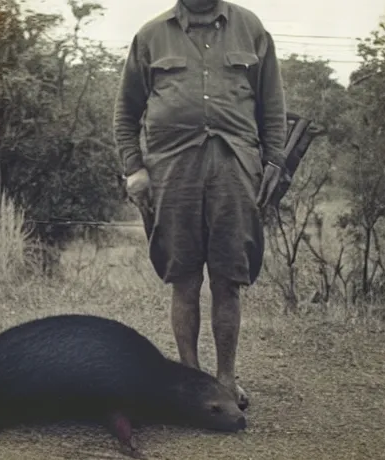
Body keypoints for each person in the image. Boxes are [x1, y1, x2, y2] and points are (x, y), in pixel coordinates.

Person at [113, 0, 288, 411]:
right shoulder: (151, 35)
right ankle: (191, 381)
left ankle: (226, 379)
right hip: (172, 171)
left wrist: (274, 162)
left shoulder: (251, 28)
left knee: (229, 278)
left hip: (235, 169)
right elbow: (126, 111)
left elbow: (272, 105)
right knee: (184, 278)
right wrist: (134, 168)